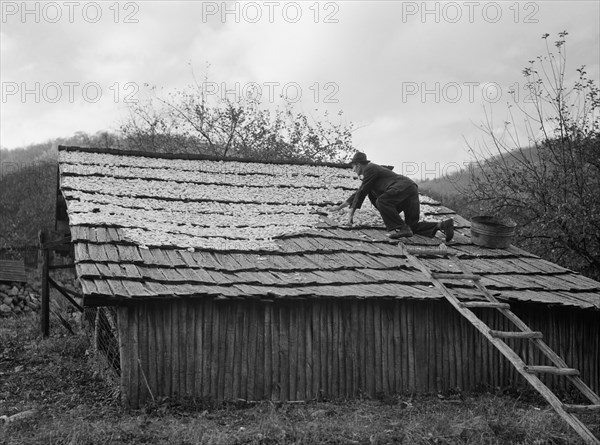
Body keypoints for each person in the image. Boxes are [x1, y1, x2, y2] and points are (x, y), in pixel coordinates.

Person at [330, 152, 454, 240]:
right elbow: (359, 192)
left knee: (382, 201)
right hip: (410, 190)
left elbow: (362, 191)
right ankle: (441, 225)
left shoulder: (369, 169)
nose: (352, 170)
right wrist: (340, 207)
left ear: (358, 165)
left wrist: (351, 213)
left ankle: (400, 228)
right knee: (412, 226)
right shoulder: (372, 174)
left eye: (353, 167)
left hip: (402, 187)